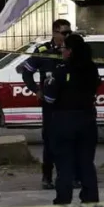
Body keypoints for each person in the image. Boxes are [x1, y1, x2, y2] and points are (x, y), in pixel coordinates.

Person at [42, 33, 102, 207]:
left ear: (70, 51)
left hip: (64, 121)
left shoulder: (61, 71)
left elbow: (49, 99)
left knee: (65, 166)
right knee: (86, 164)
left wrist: (46, 86)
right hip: (87, 119)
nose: (62, 51)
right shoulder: (91, 69)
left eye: (64, 48)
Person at [20, 19, 75, 190]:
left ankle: (69, 176)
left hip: (69, 104)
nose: (66, 36)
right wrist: (36, 90)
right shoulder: (43, 51)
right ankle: (47, 176)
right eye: (63, 33)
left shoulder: (73, 50)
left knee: (69, 140)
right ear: (54, 33)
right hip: (50, 104)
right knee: (50, 141)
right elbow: (26, 72)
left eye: (69, 32)